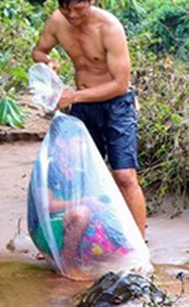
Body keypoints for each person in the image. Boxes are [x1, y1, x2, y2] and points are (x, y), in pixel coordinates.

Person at [32, 0, 147, 239]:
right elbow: (39, 51)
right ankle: (81, 241)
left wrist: (72, 97)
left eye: (79, 9)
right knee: (80, 176)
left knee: (124, 176)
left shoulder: (110, 28)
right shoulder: (57, 22)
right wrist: (48, 61)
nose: (72, 16)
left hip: (116, 106)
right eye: (66, 8)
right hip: (83, 107)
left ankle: (139, 244)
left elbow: (120, 84)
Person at [28, 116, 131, 277]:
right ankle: (67, 263)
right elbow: (46, 206)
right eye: (78, 143)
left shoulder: (78, 168)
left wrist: (97, 203)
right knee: (81, 212)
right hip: (47, 227)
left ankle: (81, 256)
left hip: (71, 223)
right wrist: (84, 202)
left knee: (114, 235)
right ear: (61, 143)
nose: (84, 147)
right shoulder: (49, 167)